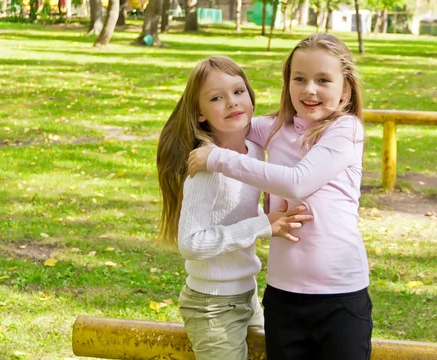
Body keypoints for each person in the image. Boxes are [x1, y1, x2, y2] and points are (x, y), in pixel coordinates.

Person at [188, 34, 372, 360]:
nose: (309, 89)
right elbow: (231, 124)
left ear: (345, 89)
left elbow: (298, 182)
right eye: (298, 78)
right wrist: (213, 119)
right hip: (283, 296)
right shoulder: (274, 127)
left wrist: (215, 159)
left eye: (323, 80)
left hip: (340, 295)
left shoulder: (346, 130)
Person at [156, 56, 313, 360]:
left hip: (246, 295)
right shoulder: (205, 168)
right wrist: (263, 224)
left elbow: (236, 212)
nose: (232, 103)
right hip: (211, 305)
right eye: (217, 98)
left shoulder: (253, 152)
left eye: (238, 92)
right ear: (200, 114)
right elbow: (190, 243)